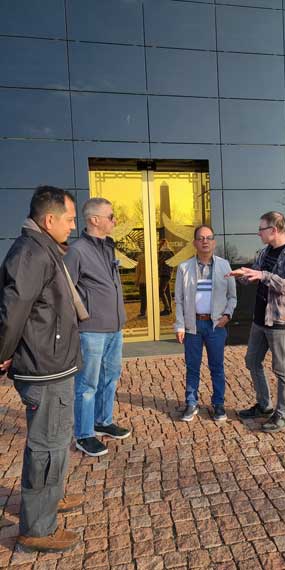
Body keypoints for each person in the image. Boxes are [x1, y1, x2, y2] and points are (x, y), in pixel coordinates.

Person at [0, 186, 86, 553]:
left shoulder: (45, 248)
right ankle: (37, 526)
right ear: (49, 220)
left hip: (56, 364)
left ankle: (50, 498)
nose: (72, 226)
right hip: (44, 368)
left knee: (56, 441)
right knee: (47, 447)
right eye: (69, 219)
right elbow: (13, 310)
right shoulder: (31, 253)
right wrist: (2, 353)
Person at [64, 197, 131, 458]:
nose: (114, 220)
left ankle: (103, 421)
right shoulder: (77, 250)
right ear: (94, 220)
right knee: (87, 383)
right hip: (90, 329)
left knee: (110, 376)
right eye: (111, 216)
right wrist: (78, 321)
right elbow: (67, 291)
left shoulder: (109, 247)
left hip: (114, 326)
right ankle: (84, 434)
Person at [227, 212, 285, 432]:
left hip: (280, 321)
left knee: (282, 370)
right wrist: (241, 274)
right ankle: (264, 406)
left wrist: (264, 276)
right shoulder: (264, 252)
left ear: (274, 230)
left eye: (261, 229)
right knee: (252, 361)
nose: (258, 232)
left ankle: (283, 413)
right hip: (260, 320)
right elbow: (255, 274)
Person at [175, 224, 237, 422]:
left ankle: (218, 404)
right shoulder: (184, 268)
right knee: (192, 367)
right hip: (193, 326)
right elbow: (179, 300)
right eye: (201, 238)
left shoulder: (225, 266)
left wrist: (227, 316)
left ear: (214, 242)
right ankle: (191, 403)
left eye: (208, 237)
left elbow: (232, 296)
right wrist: (180, 325)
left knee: (217, 367)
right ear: (194, 243)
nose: (205, 241)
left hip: (215, 326)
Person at [158, 238, 174, 316]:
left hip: (165, 274)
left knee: (161, 291)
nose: (159, 245)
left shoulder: (165, 253)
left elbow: (160, 261)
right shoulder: (170, 252)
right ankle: (169, 308)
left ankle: (167, 309)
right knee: (167, 292)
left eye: (160, 244)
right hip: (167, 274)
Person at [135, 250, 147, 319]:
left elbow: (138, 271)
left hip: (142, 280)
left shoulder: (140, 258)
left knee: (143, 298)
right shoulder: (154, 257)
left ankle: (143, 313)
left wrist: (136, 281)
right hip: (151, 281)